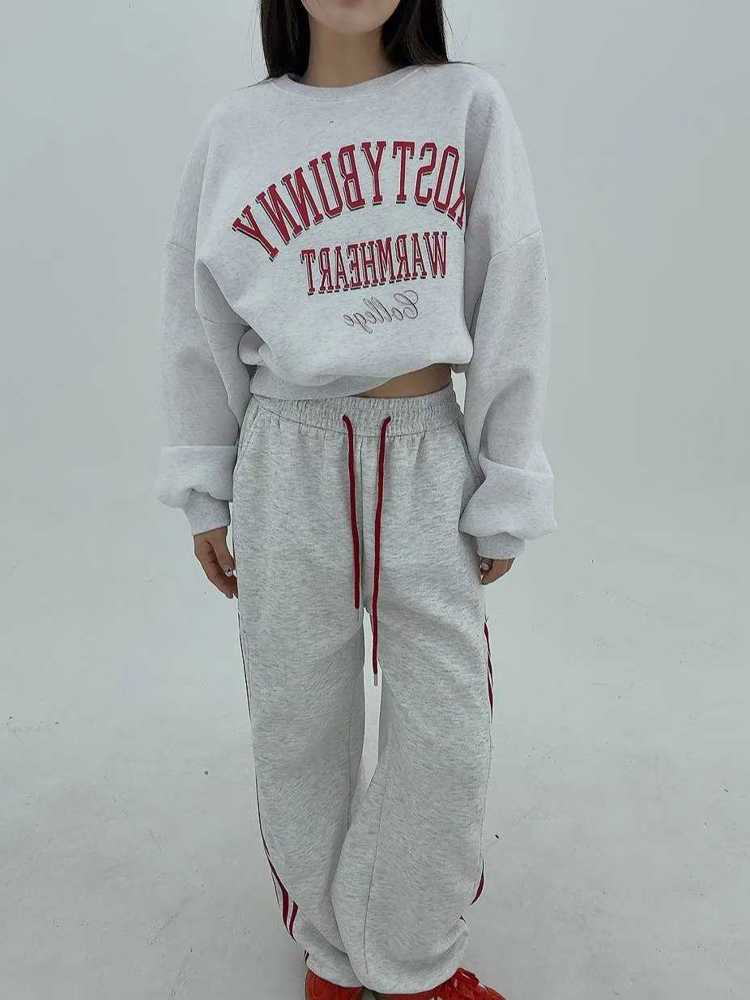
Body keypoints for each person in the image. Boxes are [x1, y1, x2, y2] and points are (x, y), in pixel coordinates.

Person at [156, 1, 556, 998]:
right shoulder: (237, 129)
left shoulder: (467, 105)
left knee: (447, 728)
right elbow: (196, 316)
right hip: (284, 456)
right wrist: (205, 485)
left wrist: (507, 474)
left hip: (427, 450)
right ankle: (334, 959)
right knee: (298, 721)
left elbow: (513, 286)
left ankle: (408, 958)